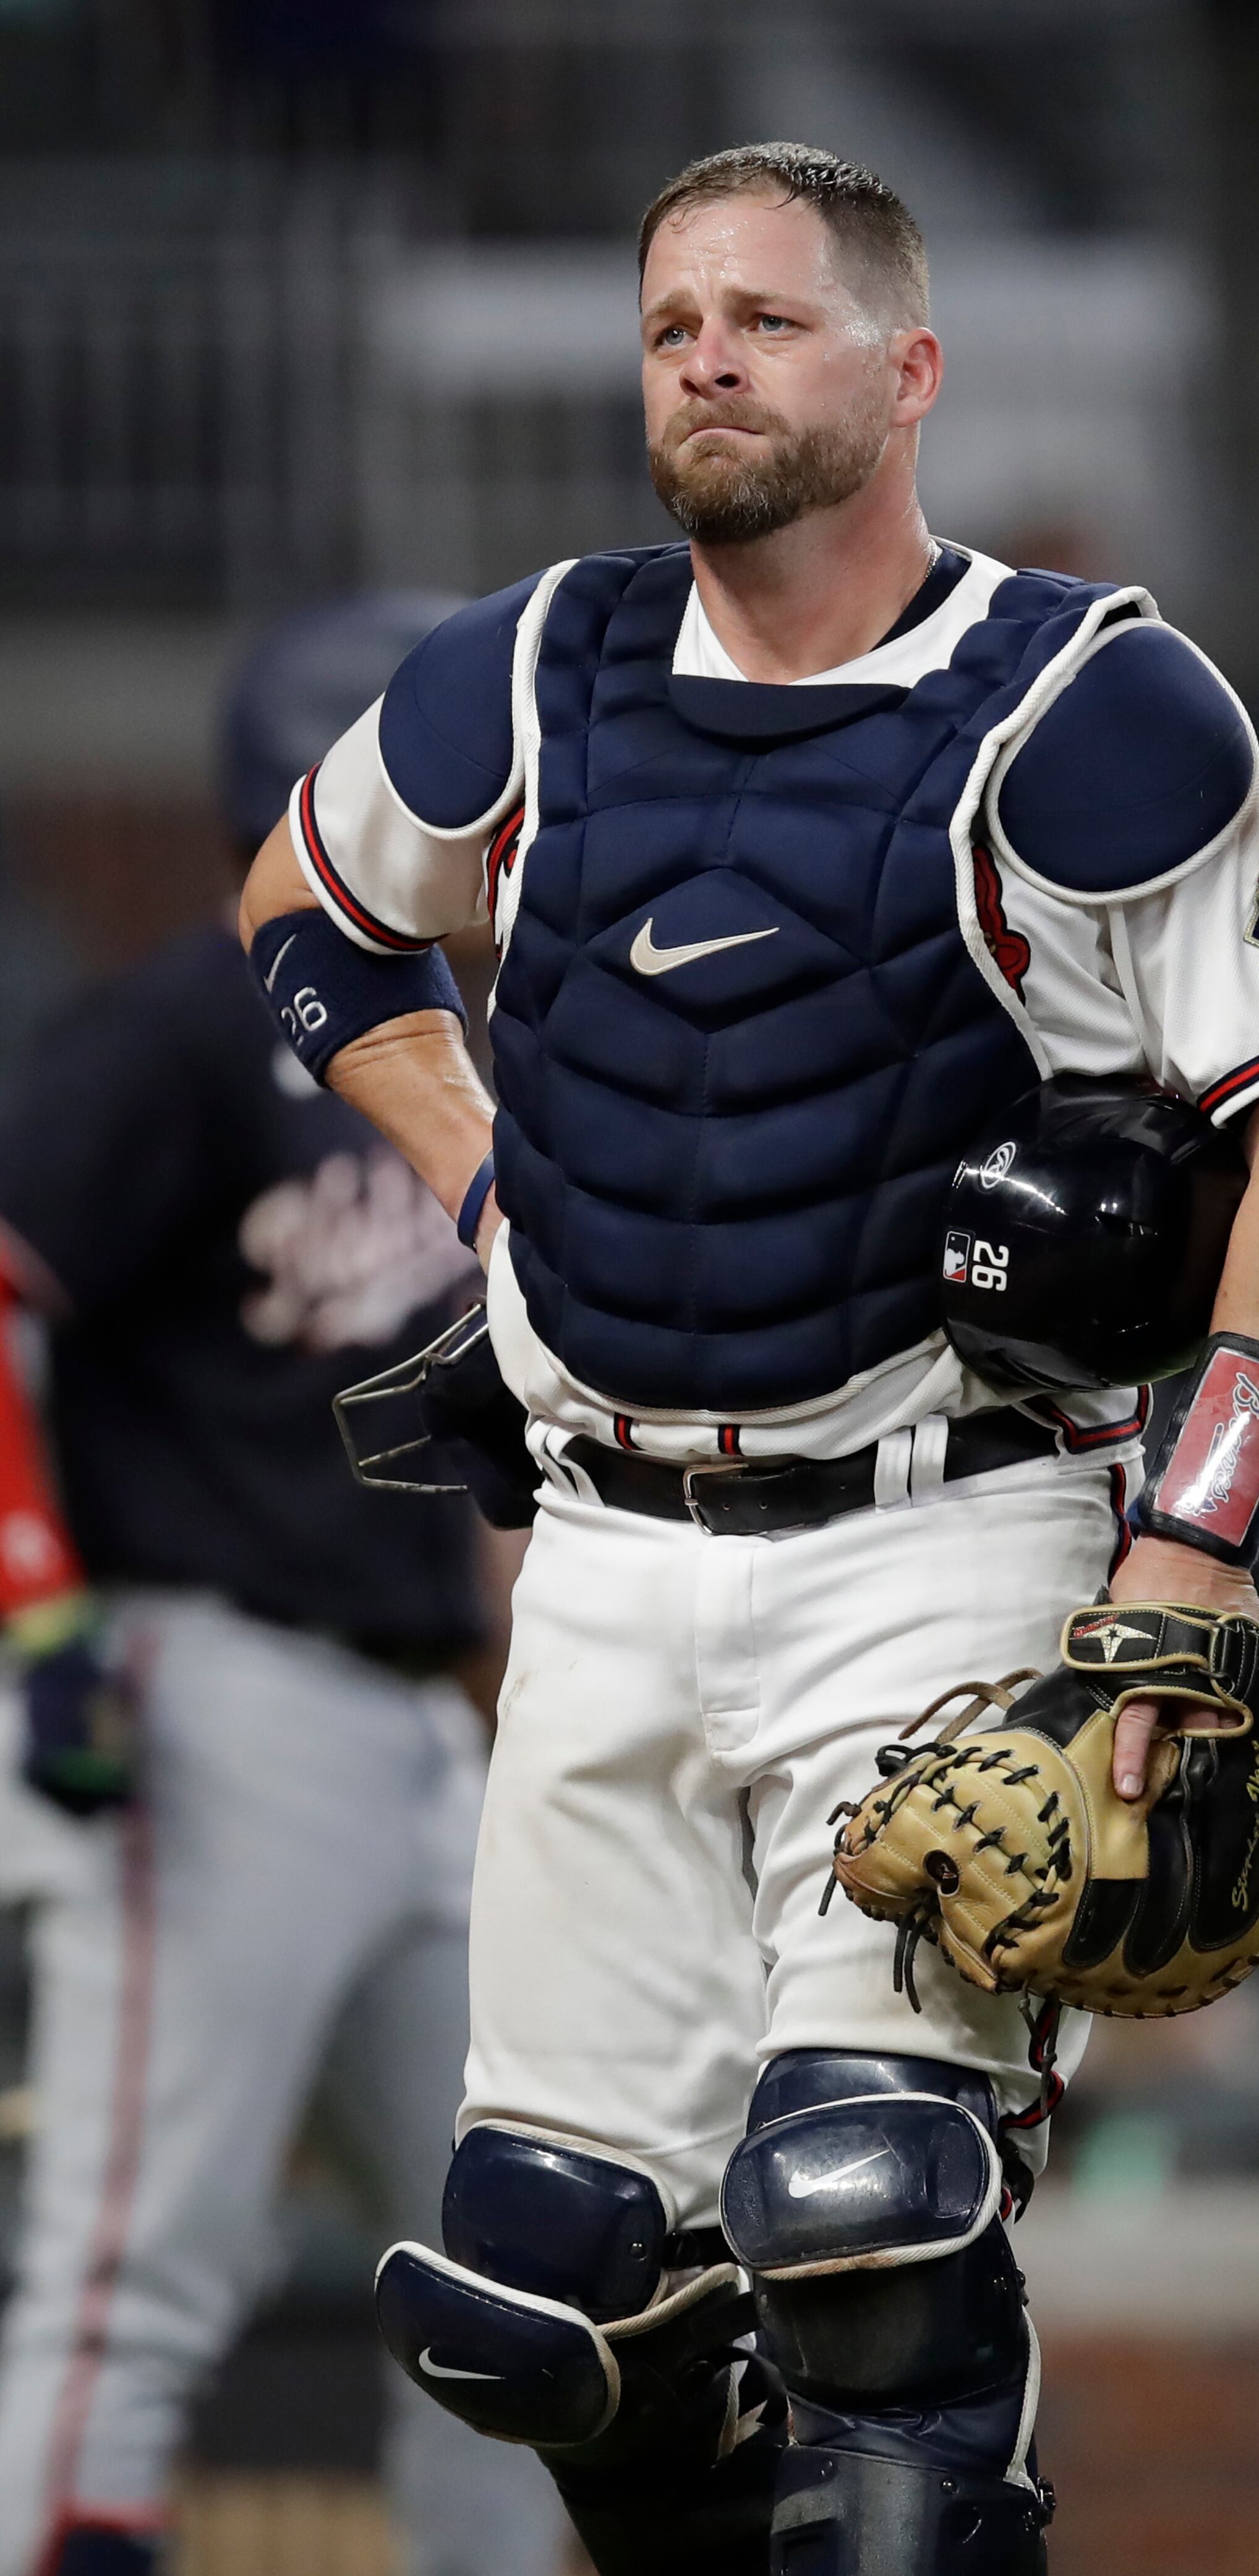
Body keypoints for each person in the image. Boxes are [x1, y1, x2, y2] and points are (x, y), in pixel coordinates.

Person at [233, 142, 1259, 2575]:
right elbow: (310, 915)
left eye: (766, 315)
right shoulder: (533, 667)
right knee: (535, 2300)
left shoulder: (1086, 702)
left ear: (909, 367)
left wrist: (1198, 1534)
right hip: (603, 1556)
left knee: (863, 2221)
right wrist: (480, 1169)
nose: (710, 357)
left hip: (941, 1538)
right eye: (670, 326)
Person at [0, 600, 565, 2576]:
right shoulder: (175, 1028)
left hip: (417, 1728)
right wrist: (39, 1613)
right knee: (134, 2274)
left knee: (519, 2294)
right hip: (213, 1696)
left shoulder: (453, 1054)